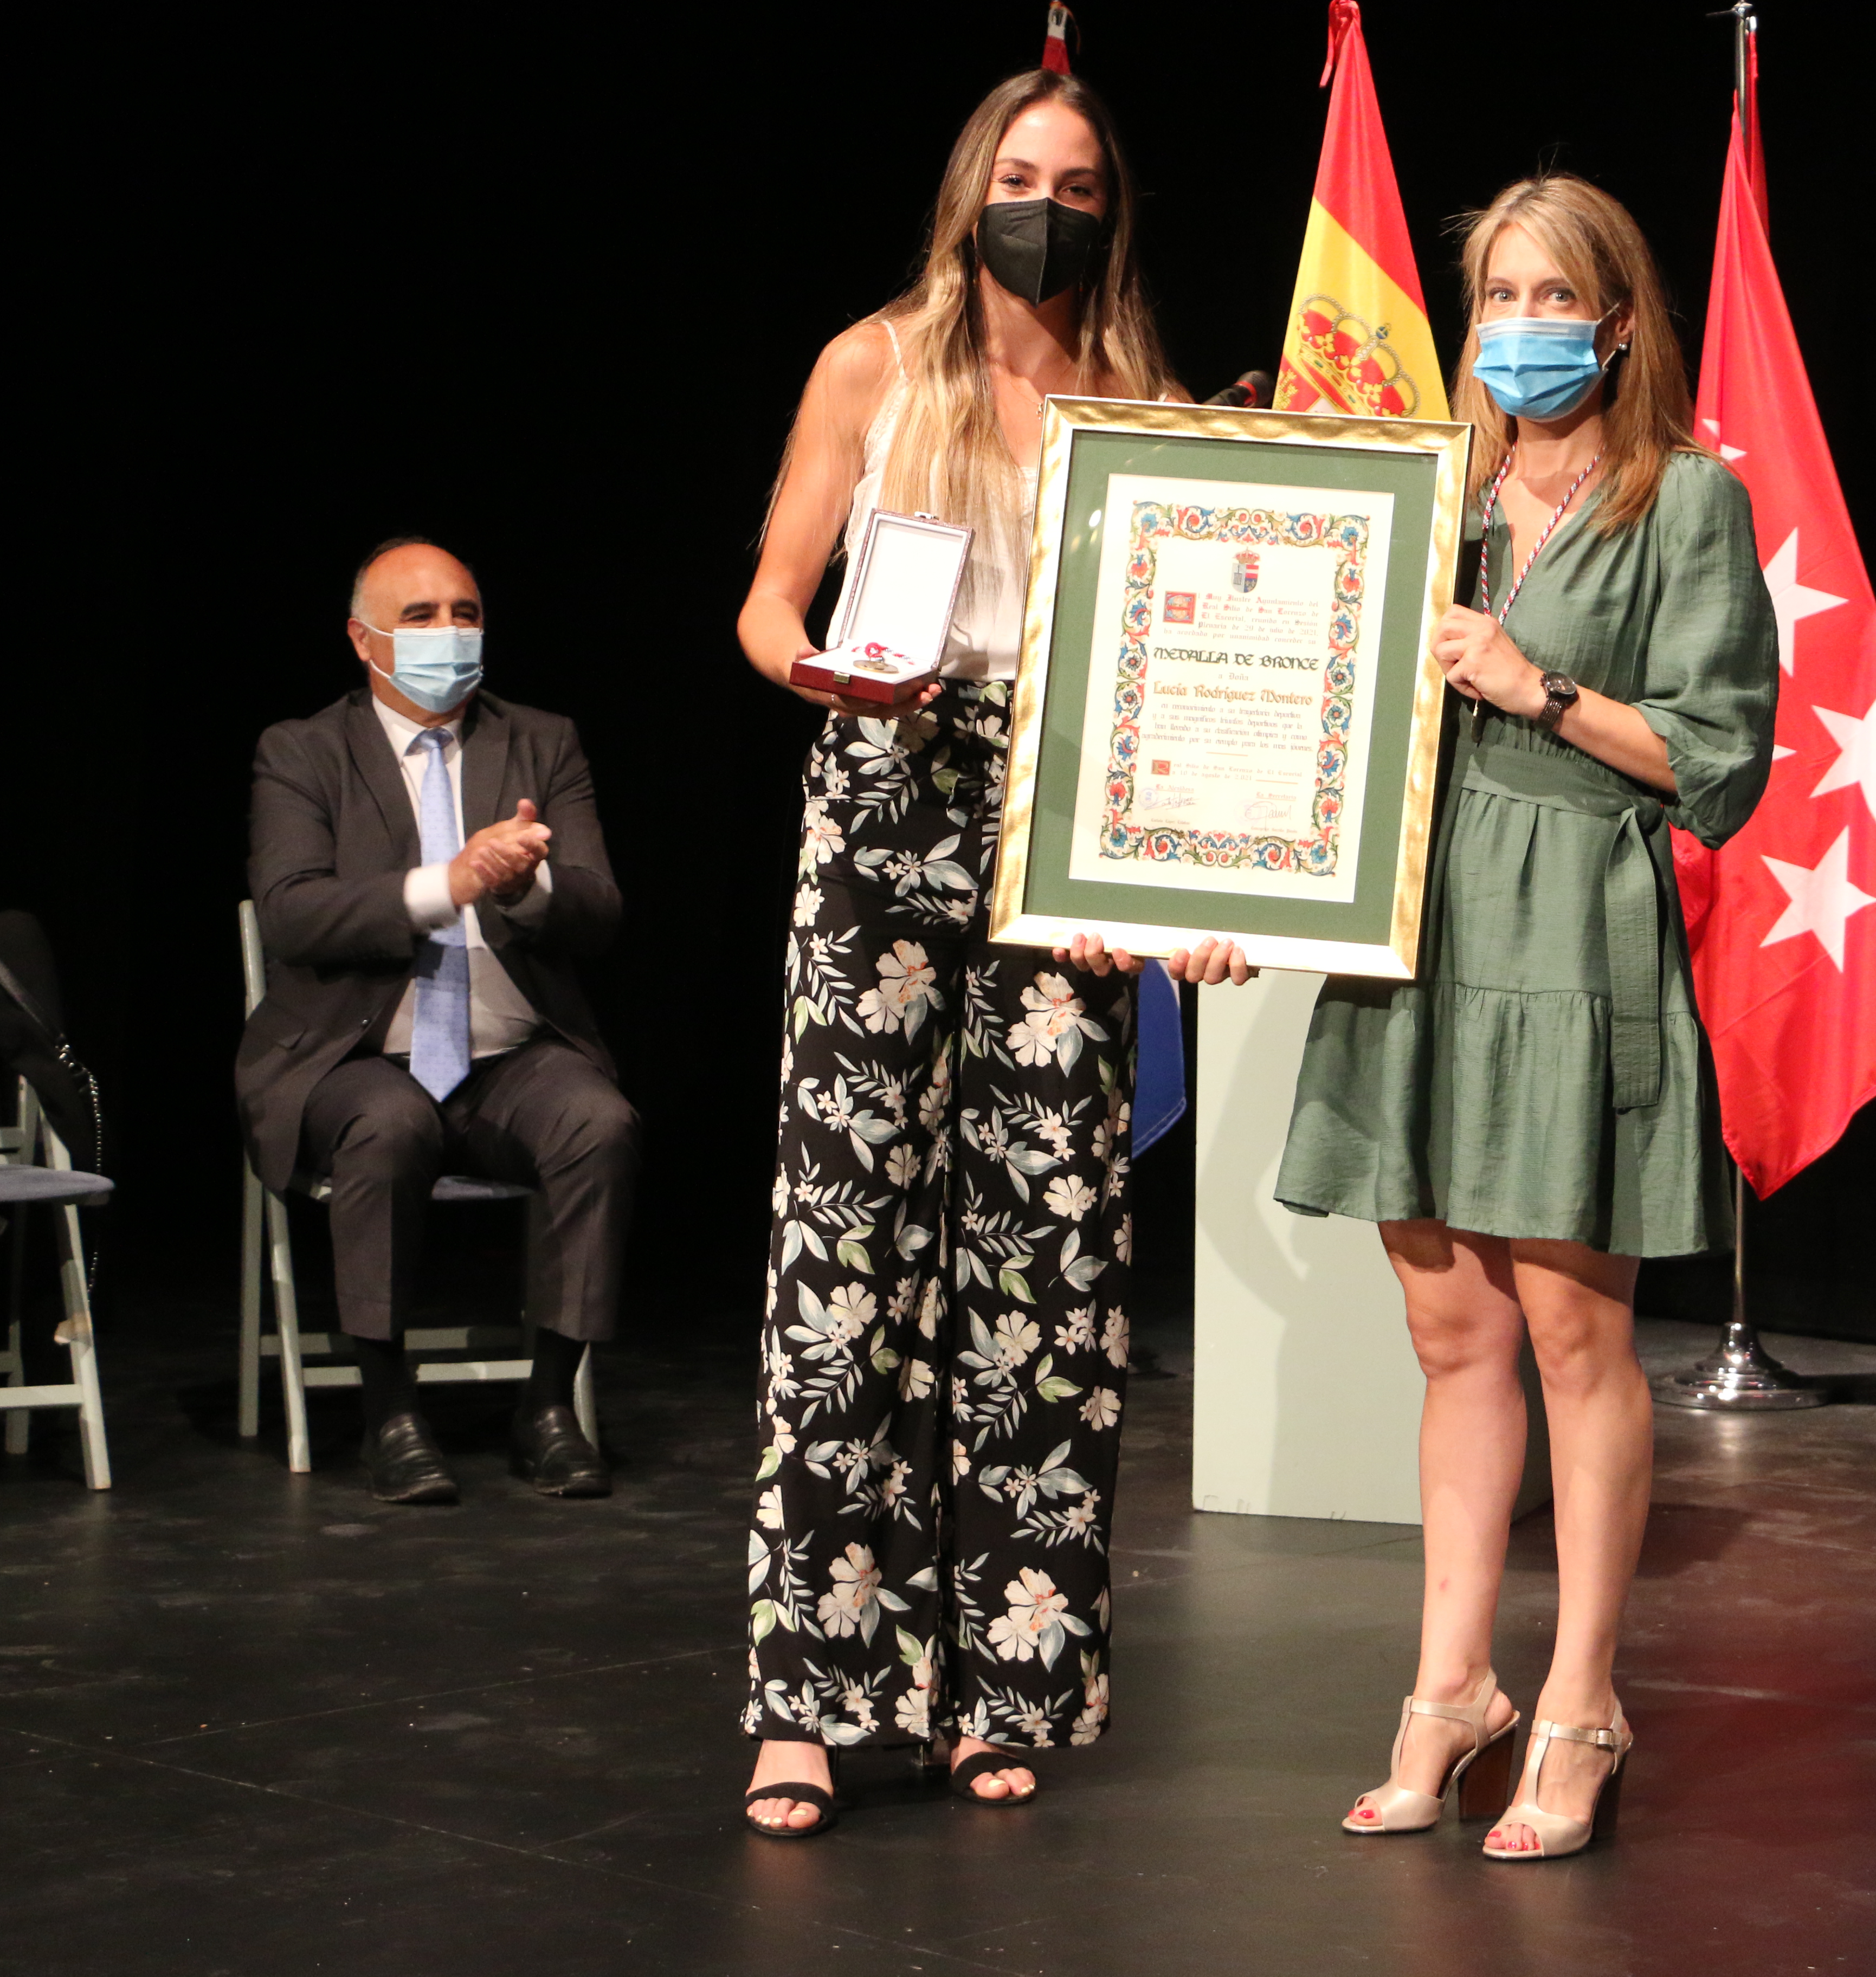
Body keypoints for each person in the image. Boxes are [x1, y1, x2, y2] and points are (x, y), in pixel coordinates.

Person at [732, 70, 1247, 1838]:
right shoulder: (876, 362)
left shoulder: (1141, 393)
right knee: (849, 1254)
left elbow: (1193, 679)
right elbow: (766, 604)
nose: (1050, 202)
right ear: (972, 188)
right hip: (883, 795)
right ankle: (813, 1695)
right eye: (1023, 174)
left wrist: (1207, 886)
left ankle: (1003, 1682)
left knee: (1049, 1270)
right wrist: (823, 677)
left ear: (1114, 203)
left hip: (1063, 822)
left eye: (1080, 180)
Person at [1275, 175, 1778, 1860]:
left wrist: (1537, 684)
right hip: (1413, 927)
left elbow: (1721, 762)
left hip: (1573, 920)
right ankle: (1448, 1689)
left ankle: (1580, 1701)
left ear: (1620, 321)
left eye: (1555, 296)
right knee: (1451, 1339)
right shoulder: (1420, 491)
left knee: (1576, 1339)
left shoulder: (1683, 502)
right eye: (1496, 294)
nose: (1520, 328)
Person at [241, 538, 636, 1507]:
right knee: (390, 1126)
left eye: (465, 613)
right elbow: (291, 911)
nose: (449, 633)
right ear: (362, 639)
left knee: (600, 1123)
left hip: (509, 1054)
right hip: (353, 1055)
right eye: (420, 618)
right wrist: (444, 883)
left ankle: (547, 1408)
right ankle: (388, 1410)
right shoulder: (302, 750)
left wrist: (527, 882)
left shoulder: (542, 740)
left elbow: (600, 910)